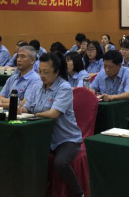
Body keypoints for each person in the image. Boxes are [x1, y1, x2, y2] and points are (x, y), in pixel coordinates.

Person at [21, 53, 84, 197]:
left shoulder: (64, 87)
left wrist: (33, 114)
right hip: (43, 137)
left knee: (60, 163)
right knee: (25, 155)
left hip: (66, 138)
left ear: (56, 72)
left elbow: (53, 114)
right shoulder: (37, 86)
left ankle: (78, 193)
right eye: (40, 71)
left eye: (46, 72)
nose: (42, 76)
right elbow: (27, 107)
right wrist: (20, 110)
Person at [91, 50, 129, 120]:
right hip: (111, 113)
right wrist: (92, 92)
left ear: (119, 65)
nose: (107, 70)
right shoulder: (102, 73)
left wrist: (111, 97)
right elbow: (92, 88)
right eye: (105, 66)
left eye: (110, 67)